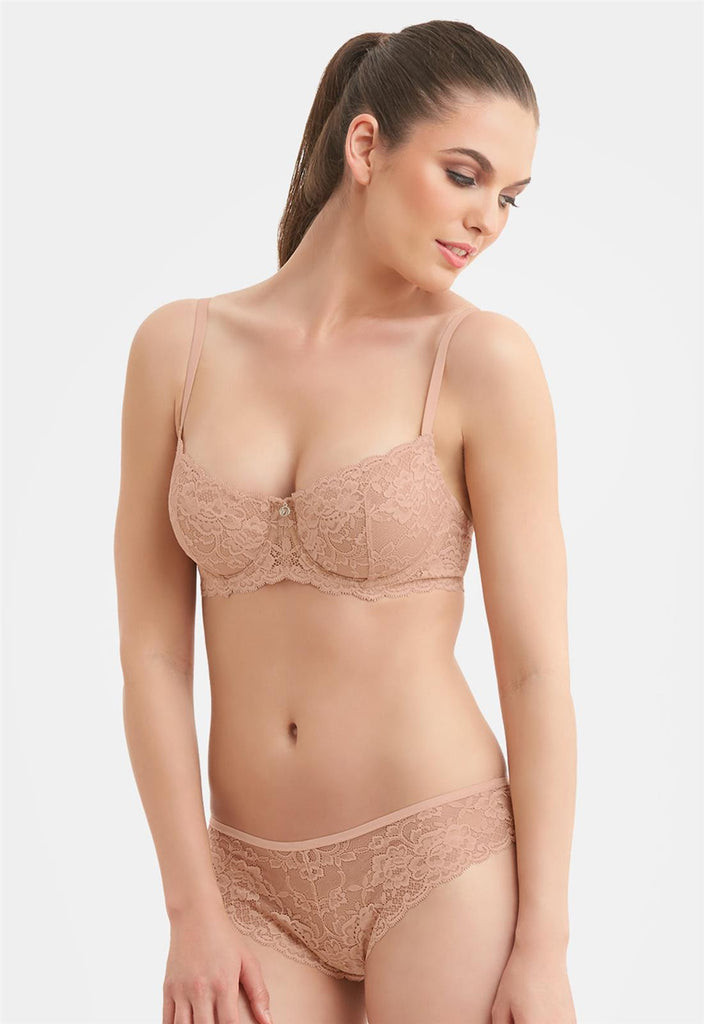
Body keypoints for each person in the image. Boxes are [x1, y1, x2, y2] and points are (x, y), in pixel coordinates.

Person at [114, 18, 577, 1024]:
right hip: (245, 883)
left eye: (508, 196)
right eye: (464, 175)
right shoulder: (177, 349)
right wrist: (190, 908)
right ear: (365, 146)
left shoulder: (482, 361)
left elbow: (535, 672)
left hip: (439, 859)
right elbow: (151, 656)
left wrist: (543, 945)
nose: (487, 220)